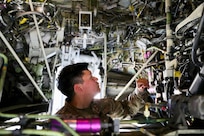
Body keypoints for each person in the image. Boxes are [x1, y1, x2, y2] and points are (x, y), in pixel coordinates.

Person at [56, 63, 145, 122]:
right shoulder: (60, 123)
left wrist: (139, 91)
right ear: (79, 88)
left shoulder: (100, 106)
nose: (96, 79)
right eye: (91, 78)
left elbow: (127, 109)